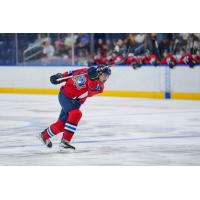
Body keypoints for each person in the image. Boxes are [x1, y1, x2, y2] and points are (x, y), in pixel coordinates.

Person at [38, 65, 111, 151]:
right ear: (99, 73)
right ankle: (65, 142)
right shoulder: (85, 71)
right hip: (65, 96)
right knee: (76, 114)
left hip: (74, 103)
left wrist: (92, 79)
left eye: (107, 76)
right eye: (105, 75)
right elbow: (71, 73)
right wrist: (60, 77)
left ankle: (44, 135)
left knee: (62, 125)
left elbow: (91, 89)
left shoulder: (100, 87)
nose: (106, 78)